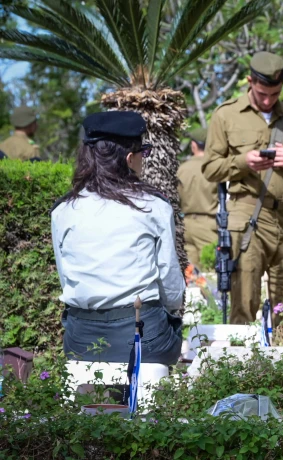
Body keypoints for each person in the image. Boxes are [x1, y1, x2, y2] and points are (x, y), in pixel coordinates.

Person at [52, 111, 184, 364]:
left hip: (82, 339)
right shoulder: (153, 206)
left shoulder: (63, 210)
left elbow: (65, 276)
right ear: (129, 158)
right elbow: (170, 286)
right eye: (143, 153)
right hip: (142, 336)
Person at [202, 52, 283, 324]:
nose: (268, 100)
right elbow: (210, 169)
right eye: (262, 93)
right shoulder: (226, 115)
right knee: (244, 300)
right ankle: (240, 362)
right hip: (244, 213)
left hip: (282, 217)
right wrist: (243, 162)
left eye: (275, 94)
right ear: (250, 81)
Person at [177, 127, 218, 267]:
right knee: (212, 271)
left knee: (190, 276)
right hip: (209, 225)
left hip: (186, 225)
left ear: (193, 145)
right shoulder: (215, 168)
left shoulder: (182, 169)